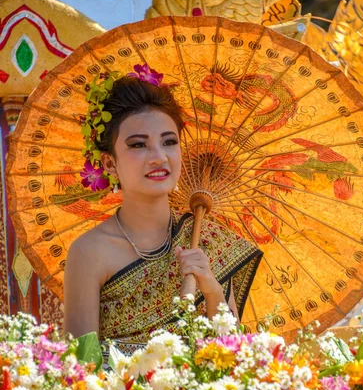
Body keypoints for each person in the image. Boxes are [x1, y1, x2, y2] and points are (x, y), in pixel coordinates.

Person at [64, 69, 262, 357]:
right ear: (109, 163)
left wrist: (211, 289)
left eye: (169, 142)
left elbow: (235, 359)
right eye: (138, 145)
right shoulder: (89, 252)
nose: (159, 156)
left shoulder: (209, 239)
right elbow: (80, 370)